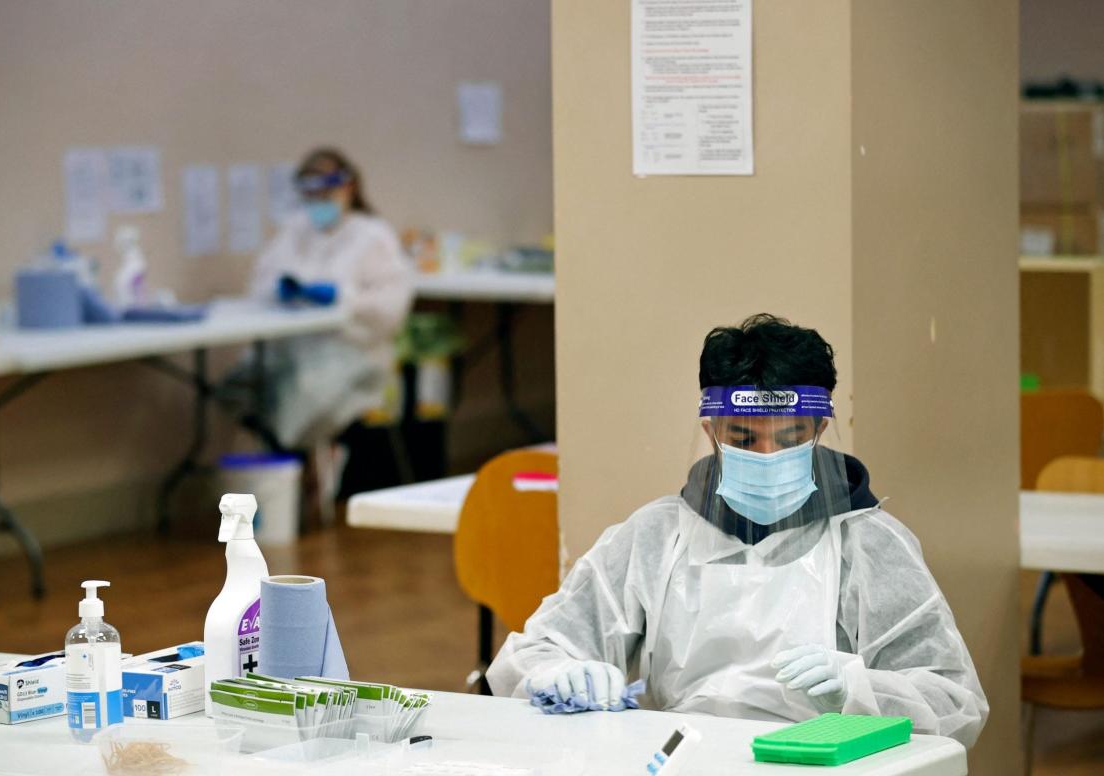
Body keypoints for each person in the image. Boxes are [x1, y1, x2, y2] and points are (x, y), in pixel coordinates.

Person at [486, 314, 989, 748]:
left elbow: (953, 701)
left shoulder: (870, 543)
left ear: (817, 430)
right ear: (711, 433)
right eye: (743, 437)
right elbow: (537, 650)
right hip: (687, 758)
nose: (768, 456)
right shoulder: (656, 536)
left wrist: (858, 688)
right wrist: (558, 674)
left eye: (790, 437)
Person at [245, 148, 414, 453]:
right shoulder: (294, 230)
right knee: (239, 385)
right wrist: (283, 290)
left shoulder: (372, 235)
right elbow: (262, 281)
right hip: (294, 349)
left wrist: (343, 299)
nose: (318, 200)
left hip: (352, 351)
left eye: (326, 189)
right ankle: (291, 466)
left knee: (303, 394)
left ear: (349, 187)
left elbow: (391, 305)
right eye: (310, 192)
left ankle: (303, 468)